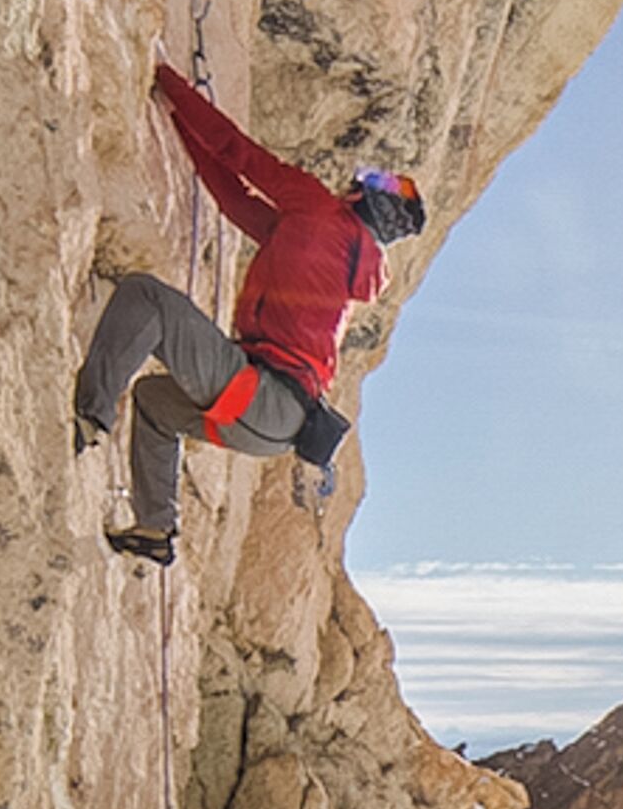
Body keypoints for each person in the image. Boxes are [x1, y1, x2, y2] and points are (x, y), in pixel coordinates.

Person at [69, 60, 427, 564]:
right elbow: (235, 203)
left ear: (367, 198)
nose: (364, 177)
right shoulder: (340, 258)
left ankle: (89, 417)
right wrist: (177, 120)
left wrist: (169, 81)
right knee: (153, 402)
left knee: (145, 297)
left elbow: (238, 152)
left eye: (375, 179)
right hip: (276, 427)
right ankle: (155, 527)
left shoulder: (318, 210)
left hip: (259, 392)